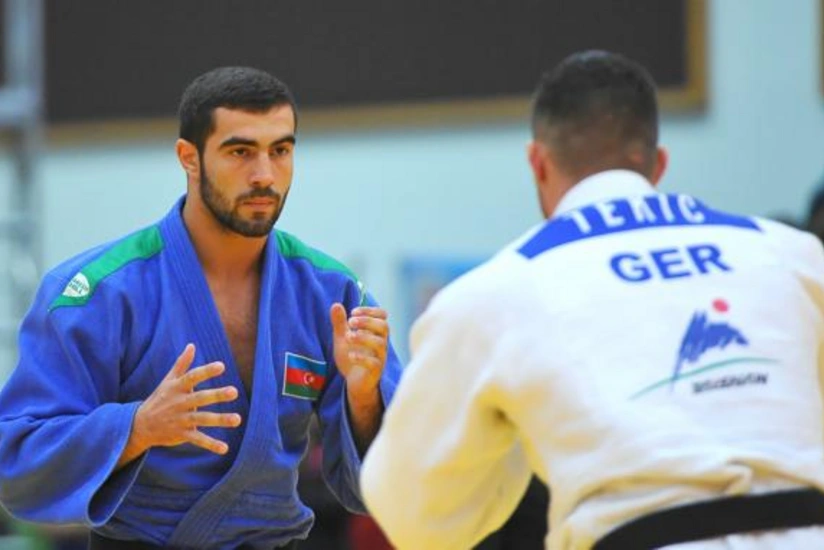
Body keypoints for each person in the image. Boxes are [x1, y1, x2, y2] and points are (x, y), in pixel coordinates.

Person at [360, 50, 824, 549]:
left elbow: (415, 518)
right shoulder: (791, 253)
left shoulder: (493, 293)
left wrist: (513, 440)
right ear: (658, 164)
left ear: (538, 163)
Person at [0, 66, 403, 549]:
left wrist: (362, 400)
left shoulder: (331, 293)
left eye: (281, 151)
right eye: (240, 152)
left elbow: (394, 487)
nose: (264, 175)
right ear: (188, 158)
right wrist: (137, 428)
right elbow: (15, 459)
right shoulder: (99, 292)